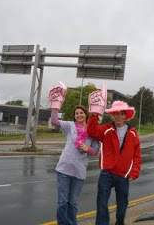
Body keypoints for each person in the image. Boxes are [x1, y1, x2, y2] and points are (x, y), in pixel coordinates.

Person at [87, 85, 141, 225]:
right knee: (102, 204)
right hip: (107, 174)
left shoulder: (133, 133)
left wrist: (134, 172)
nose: (119, 116)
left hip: (123, 176)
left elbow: (137, 155)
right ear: (113, 115)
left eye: (122, 114)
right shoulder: (106, 129)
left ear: (125, 116)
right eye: (116, 113)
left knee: (122, 206)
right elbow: (92, 131)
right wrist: (95, 113)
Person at [49, 81, 100, 225]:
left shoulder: (92, 132)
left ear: (86, 115)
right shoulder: (69, 126)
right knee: (62, 202)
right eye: (76, 113)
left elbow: (96, 151)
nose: (79, 115)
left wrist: (88, 149)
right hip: (64, 169)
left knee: (73, 203)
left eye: (81, 113)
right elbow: (54, 121)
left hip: (79, 172)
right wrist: (55, 105)